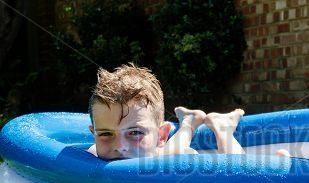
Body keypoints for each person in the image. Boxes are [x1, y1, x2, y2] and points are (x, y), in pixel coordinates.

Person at [87, 63, 245, 160]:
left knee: (172, 152)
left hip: (162, 155)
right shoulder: (93, 154)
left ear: (162, 135)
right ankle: (188, 121)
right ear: (94, 134)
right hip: (158, 153)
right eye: (105, 134)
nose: (120, 146)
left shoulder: (179, 163)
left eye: (135, 132)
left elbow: (242, 173)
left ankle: (223, 127)